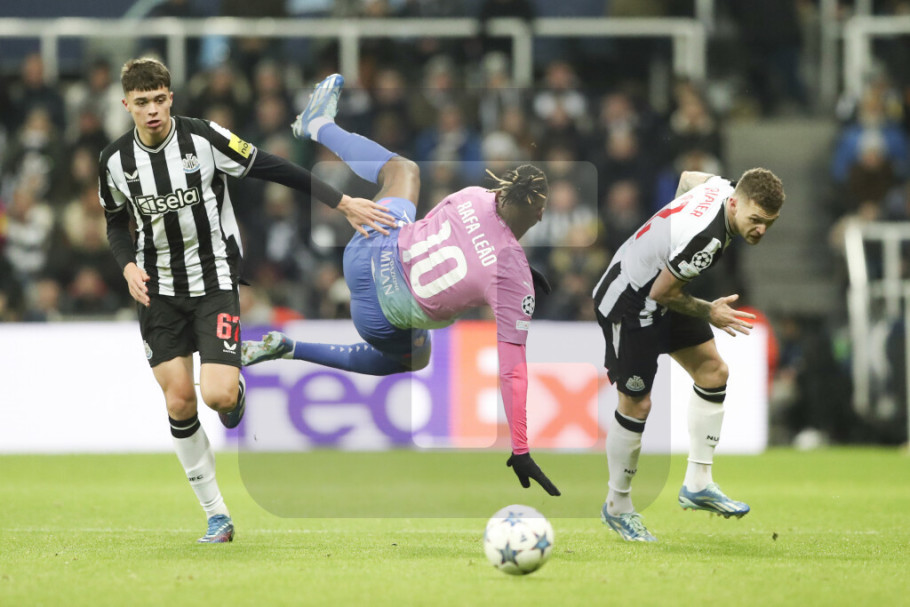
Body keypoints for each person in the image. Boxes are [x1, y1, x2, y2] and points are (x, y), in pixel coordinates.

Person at [98, 58, 395, 544]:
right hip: (158, 289)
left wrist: (341, 203)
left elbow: (273, 167)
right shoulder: (114, 161)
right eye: (142, 102)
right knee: (179, 399)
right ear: (126, 104)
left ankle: (233, 392)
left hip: (214, 280)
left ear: (171, 98)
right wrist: (128, 265)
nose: (152, 110)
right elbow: (114, 221)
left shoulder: (204, 138)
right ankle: (216, 515)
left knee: (216, 396)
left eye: (159, 100)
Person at [242, 74, 561, 497]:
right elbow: (512, 369)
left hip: (367, 247)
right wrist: (520, 448)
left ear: (502, 191)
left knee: (403, 170)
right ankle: (290, 348)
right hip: (379, 313)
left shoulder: (474, 196)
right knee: (417, 356)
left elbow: (473, 242)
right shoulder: (512, 277)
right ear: (539, 216)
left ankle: (318, 125)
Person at [592, 167, 785, 541]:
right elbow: (662, 293)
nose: (761, 230)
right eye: (756, 220)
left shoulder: (722, 187)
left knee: (713, 372)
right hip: (630, 301)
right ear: (735, 204)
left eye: (769, 223)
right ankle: (617, 505)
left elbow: (687, 178)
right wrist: (711, 312)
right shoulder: (707, 239)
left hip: (659, 291)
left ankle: (698, 483)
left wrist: (673, 231)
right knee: (636, 404)